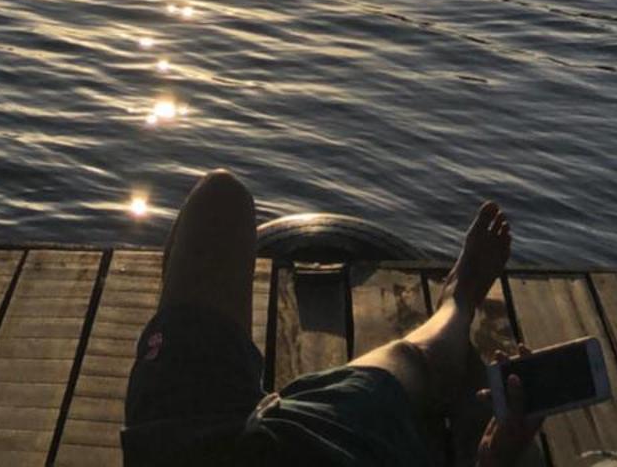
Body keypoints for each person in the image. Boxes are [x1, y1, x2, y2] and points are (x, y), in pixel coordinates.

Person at [124, 169, 544, 466]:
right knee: (420, 359)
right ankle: (458, 300)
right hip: (316, 451)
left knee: (219, 199)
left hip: (189, 442)